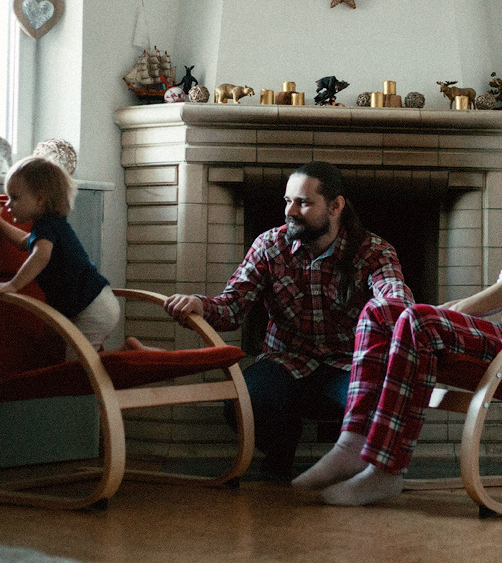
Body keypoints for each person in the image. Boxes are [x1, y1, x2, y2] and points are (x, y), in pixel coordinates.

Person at [292, 95, 502, 505]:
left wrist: (443, 314)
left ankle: (385, 469)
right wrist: (440, 312)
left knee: (417, 322)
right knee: (380, 311)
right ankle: (350, 445)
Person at [163, 161, 414, 481]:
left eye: (304, 202)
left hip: (349, 366)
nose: (291, 211)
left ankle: (350, 465)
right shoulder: (269, 246)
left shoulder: (374, 251)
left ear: (336, 206)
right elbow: (233, 307)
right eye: (288, 201)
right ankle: (281, 452)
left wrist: (391, 309)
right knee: (242, 402)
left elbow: (395, 298)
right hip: (285, 361)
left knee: (383, 400)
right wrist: (199, 304)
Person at [0, 156, 141, 358]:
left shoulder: (46, 227)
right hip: (94, 303)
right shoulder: (51, 225)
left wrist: (13, 285)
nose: (8, 204)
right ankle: (127, 353)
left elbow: (41, 256)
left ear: (40, 198)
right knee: (65, 350)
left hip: (91, 307)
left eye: (14, 197)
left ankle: (128, 354)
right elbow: (24, 241)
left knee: (80, 366)